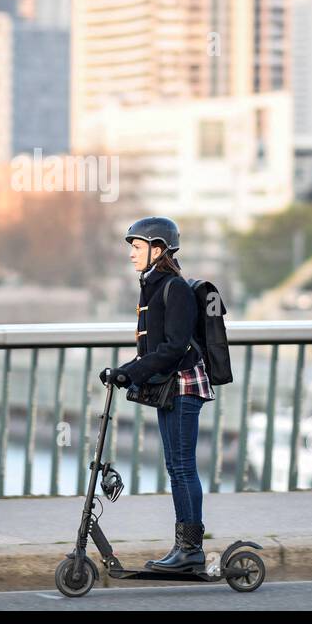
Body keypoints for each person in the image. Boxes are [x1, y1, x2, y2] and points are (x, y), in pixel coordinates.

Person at [101, 215, 212, 573]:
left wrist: (132, 372)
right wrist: (122, 370)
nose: (132, 254)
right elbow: (150, 349)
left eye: (137, 247)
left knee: (182, 468)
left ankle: (190, 550)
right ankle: (186, 549)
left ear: (158, 249)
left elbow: (174, 347)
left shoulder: (174, 288)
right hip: (170, 386)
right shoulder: (151, 285)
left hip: (183, 384)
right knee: (175, 467)